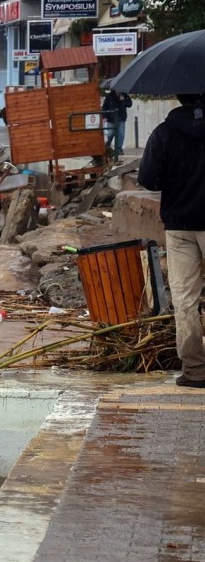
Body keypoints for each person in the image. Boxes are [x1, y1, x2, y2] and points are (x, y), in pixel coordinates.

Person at [138, 94, 205, 387]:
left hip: (179, 226)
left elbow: (148, 179)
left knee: (185, 301)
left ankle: (195, 371)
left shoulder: (164, 132)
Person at [101, 89, 132, 159]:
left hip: (121, 118)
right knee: (110, 134)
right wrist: (104, 116)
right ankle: (107, 147)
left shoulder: (125, 95)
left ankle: (118, 149)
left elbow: (130, 104)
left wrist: (123, 100)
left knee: (121, 133)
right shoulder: (109, 96)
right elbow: (104, 107)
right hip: (111, 118)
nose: (119, 91)